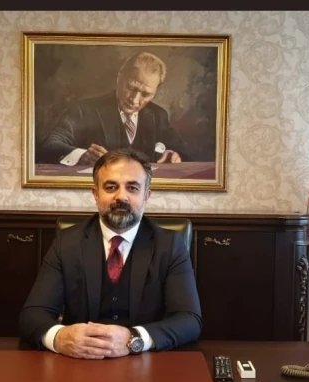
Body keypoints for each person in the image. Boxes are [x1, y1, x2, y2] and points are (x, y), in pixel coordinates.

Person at [18, 148, 203, 359]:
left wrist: (133, 339)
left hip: (145, 362)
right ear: (96, 194)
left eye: (132, 188)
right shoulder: (67, 243)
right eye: (111, 187)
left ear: (146, 195)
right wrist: (60, 338)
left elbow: (189, 320)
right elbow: (31, 316)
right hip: (80, 362)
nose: (121, 196)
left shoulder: (170, 246)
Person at [36, 51, 191, 166]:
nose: (134, 100)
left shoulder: (158, 116)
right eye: (131, 88)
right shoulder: (84, 110)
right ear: (119, 77)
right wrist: (81, 156)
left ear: (156, 91)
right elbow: (49, 145)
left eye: (145, 94)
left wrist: (173, 155)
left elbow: (187, 153)